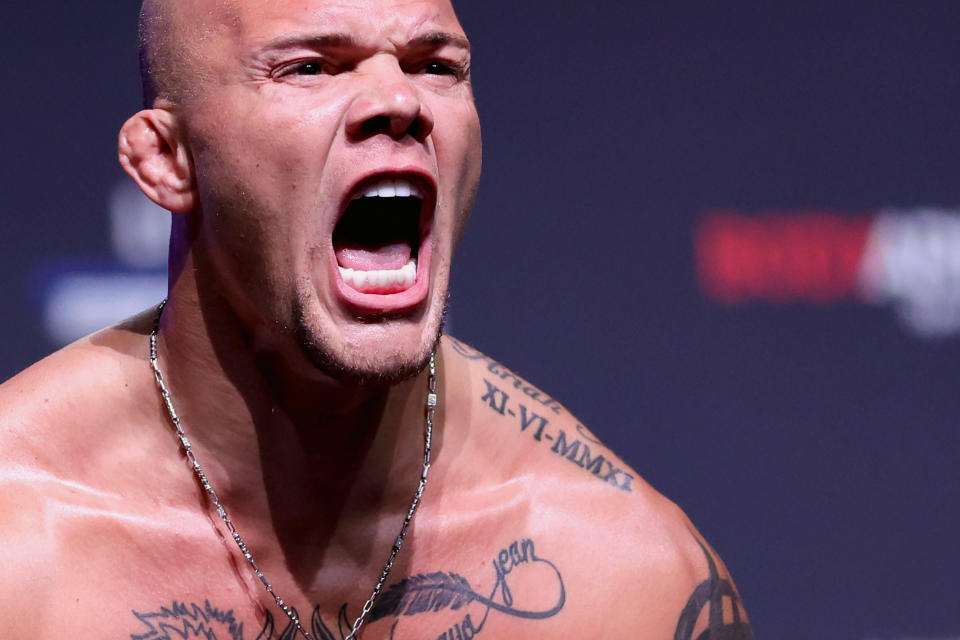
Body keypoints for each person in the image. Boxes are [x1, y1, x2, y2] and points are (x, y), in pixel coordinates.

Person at [0, 0, 753, 638]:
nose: (399, 100)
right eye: (312, 68)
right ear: (167, 161)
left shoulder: (627, 583)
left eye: (435, 66)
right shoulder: (21, 540)